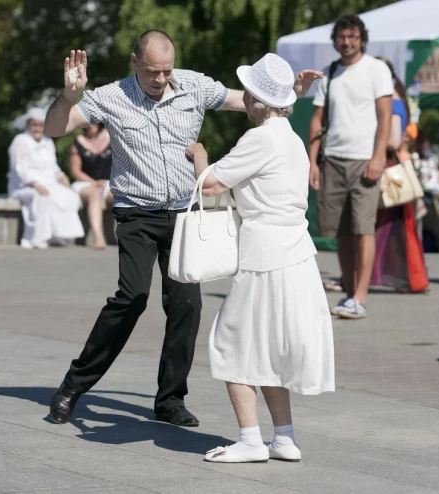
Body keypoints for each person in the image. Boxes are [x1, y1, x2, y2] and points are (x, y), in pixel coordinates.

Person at [43, 30, 321, 427]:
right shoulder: (111, 96)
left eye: (166, 71)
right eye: (152, 71)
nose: (160, 79)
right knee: (132, 297)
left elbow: (250, 102)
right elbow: (55, 128)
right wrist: (69, 96)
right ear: (134, 62)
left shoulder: (193, 85)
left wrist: (287, 90)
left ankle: (170, 399)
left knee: (187, 304)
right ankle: (72, 386)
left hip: (184, 213)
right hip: (136, 213)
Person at [185, 53, 334, 464]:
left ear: (257, 100)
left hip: (265, 255)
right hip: (296, 254)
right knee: (267, 349)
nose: (245, 102)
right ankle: (283, 437)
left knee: (231, 343)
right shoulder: (292, 139)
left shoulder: (260, 138)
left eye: (248, 95)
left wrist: (198, 154)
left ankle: (251, 440)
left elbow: (211, 184)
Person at [309, 14, 393, 319]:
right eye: (342, 37)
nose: (347, 42)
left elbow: (385, 116)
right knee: (341, 232)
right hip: (332, 159)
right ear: (335, 40)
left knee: (362, 228)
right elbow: (317, 119)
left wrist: (378, 156)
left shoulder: (376, 69)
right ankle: (348, 294)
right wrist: (313, 161)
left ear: (362, 39)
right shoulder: (330, 72)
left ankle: (361, 296)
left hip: (364, 161)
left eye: (352, 37)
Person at [370, 57, 429, 293]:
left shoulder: (392, 100)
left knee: (387, 225)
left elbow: (393, 139)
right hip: (388, 162)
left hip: (386, 164)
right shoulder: (395, 97)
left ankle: (377, 275)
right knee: (390, 225)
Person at [7, 107, 84, 249]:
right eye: (34, 125)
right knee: (44, 198)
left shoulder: (47, 141)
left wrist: (61, 176)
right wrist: (34, 184)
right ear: (28, 125)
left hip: (49, 182)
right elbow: (19, 168)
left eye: (40, 125)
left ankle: (58, 235)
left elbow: (53, 166)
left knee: (70, 196)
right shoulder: (20, 141)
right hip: (25, 185)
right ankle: (38, 237)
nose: (37, 128)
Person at [69, 123, 113, 250]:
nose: (90, 124)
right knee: (95, 194)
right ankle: (99, 238)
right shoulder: (78, 142)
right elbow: (75, 171)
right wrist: (94, 182)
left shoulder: (112, 136)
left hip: (109, 182)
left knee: (120, 196)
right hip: (85, 183)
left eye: (93, 120)